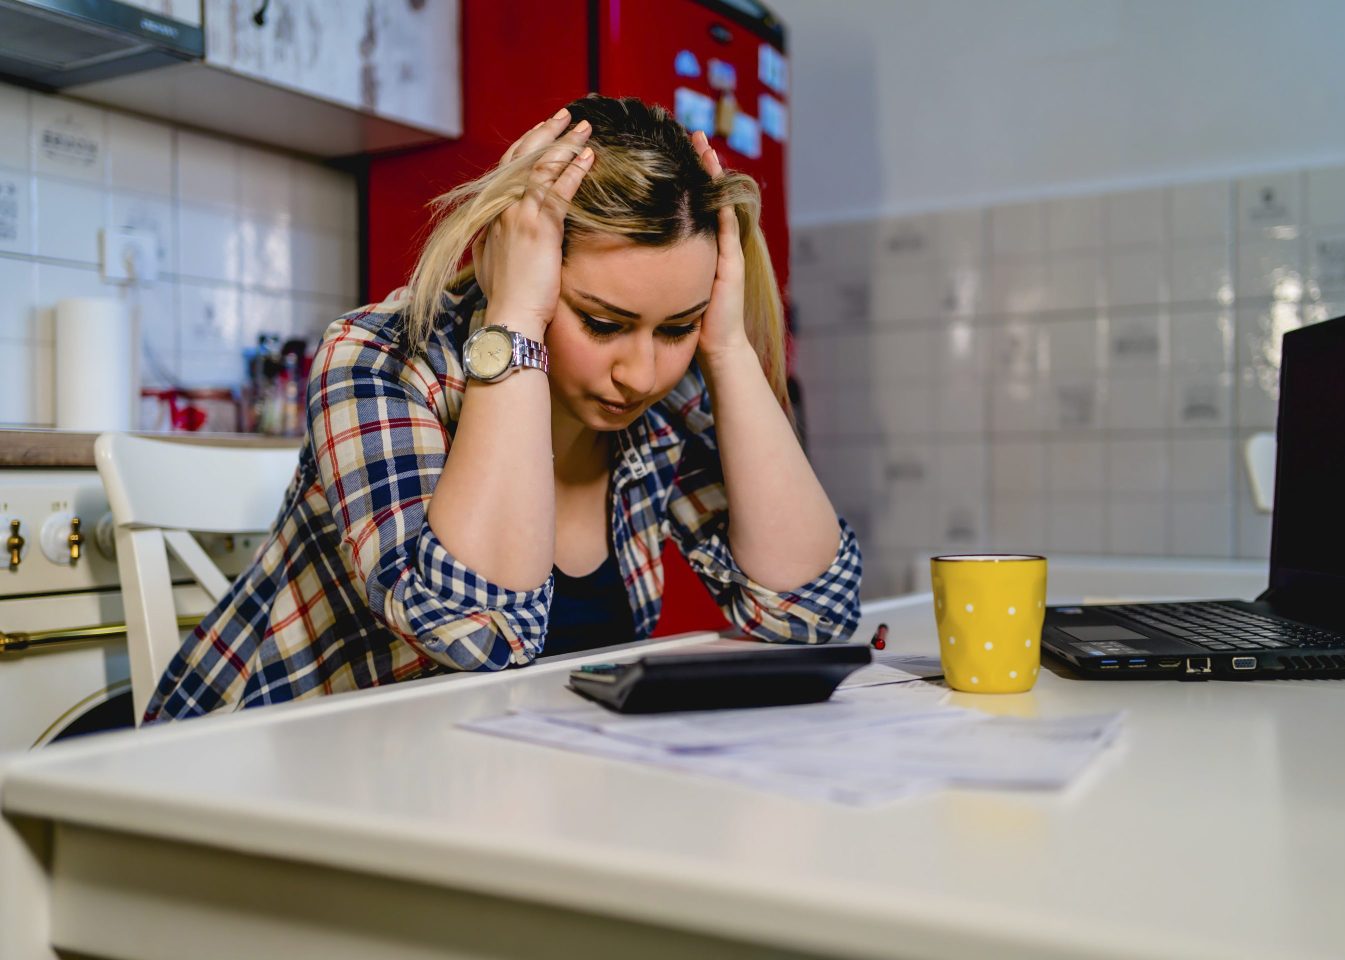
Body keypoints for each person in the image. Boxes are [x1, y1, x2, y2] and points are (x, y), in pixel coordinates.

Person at [143, 95, 862, 723]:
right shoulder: (378, 360)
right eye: (603, 323)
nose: (641, 372)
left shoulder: (663, 407)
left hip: (480, 787)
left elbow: (811, 616)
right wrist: (513, 319)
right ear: (515, 262)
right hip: (242, 786)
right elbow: (478, 634)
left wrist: (728, 346)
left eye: (676, 328)